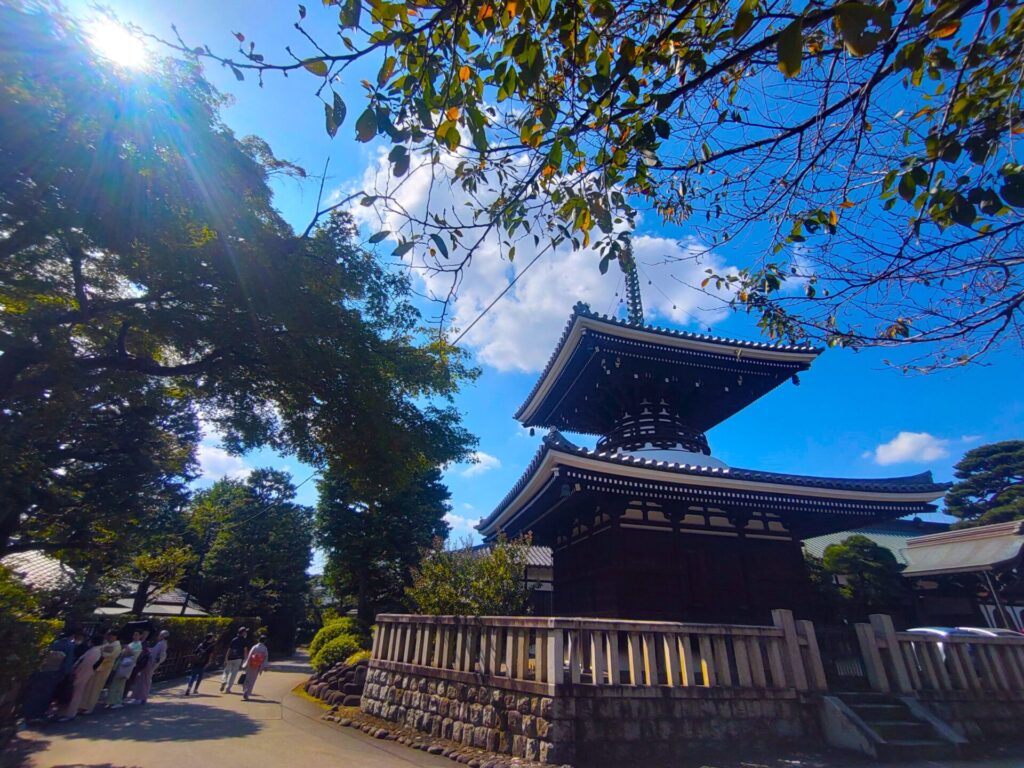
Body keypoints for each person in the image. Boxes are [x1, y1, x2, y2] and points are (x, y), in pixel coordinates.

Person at [21, 628, 77, 721]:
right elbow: (68, 662)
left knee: (34, 693)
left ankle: (27, 712)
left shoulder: (53, 643)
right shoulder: (69, 645)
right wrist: (67, 673)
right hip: (55, 672)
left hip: (41, 670)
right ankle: (38, 714)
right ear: (71, 636)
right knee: (46, 694)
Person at [58, 635, 102, 722]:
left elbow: (83, 663)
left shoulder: (93, 651)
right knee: (77, 693)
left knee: (74, 694)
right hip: (86, 673)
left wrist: (74, 670)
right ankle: (70, 713)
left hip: (81, 673)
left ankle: (69, 713)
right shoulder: (97, 651)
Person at [79, 629, 120, 715]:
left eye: (110, 636)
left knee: (96, 688)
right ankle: (83, 705)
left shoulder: (116, 646)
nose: (108, 637)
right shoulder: (108, 644)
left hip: (104, 668)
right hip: (97, 667)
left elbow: (107, 656)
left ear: (114, 636)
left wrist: (102, 651)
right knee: (89, 686)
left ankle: (89, 707)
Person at [106, 630, 144, 709]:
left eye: (137, 635)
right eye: (134, 634)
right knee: (115, 684)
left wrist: (127, 649)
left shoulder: (138, 645)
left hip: (126, 665)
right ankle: (111, 701)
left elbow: (134, 655)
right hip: (121, 664)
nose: (135, 636)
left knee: (119, 684)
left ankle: (117, 701)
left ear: (140, 636)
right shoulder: (132, 643)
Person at [130, 629, 168, 705]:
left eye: (160, 635)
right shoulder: (163, 643)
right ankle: (139, 697)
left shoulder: (162, 644)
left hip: (150, 663)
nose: (158, 636)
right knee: (142, 679)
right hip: (151, 663)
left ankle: (141, 698)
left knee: (144, 680)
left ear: (162, 636)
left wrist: (148, 651)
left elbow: (155, 653)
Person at [220, 626, 248, 694]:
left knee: (226, 671)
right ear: (243, 633)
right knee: (233, 674)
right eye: (245, 632)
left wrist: (226, 658)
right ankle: (228, 688)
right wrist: (245, 660)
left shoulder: (234, 639)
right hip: (238, 659)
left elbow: (229, 649)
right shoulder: (244, 640)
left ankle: (224, 681)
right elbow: (245, 651)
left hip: (230, 657)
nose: (246, 633)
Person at [241, 635, 269, 701]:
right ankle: (247, 693)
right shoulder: (265, 648)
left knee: (247, 677)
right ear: (265, 641)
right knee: (253, 680)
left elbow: (250, 655)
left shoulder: (255, 646)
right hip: (257, 665)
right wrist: (265, 666)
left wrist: (246, 663)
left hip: (251, 664)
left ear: (259, 640)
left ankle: (245, 689)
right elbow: (265, 658)